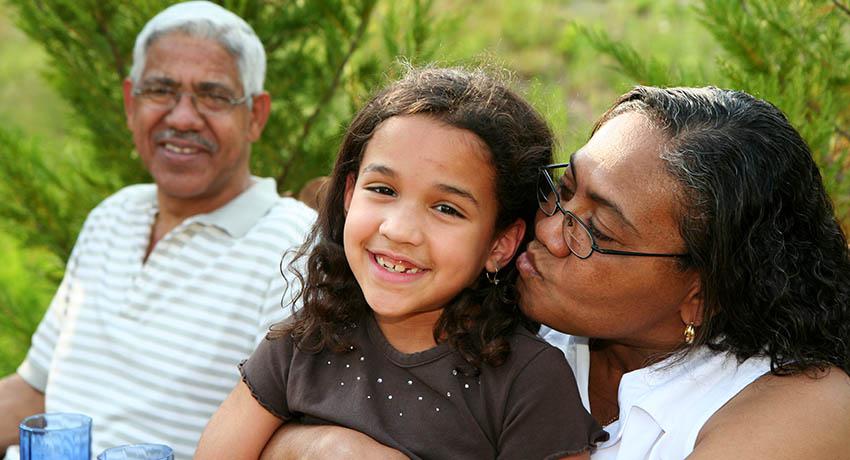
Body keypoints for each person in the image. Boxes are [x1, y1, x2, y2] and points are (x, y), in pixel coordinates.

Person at [258, 85, 850, 459]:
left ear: (702, 293)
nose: (545, 230)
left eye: (596, 232)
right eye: (563, 190)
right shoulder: (484, 309)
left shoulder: (806, 404)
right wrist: (321, 445)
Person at [195, 67, 606, 460]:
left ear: (499, 245)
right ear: (349, 194)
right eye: (383, 189)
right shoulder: (304, 343)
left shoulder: (527, 382)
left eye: (446, 208)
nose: (399, 229)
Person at [0, 2, 315, 458]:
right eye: (161, 90)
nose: (183, 118)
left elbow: (283, 441)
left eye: (213, 95)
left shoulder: (292, 248)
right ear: (131, 104)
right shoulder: (113, 215)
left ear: (256, 116)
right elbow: (37, 391)